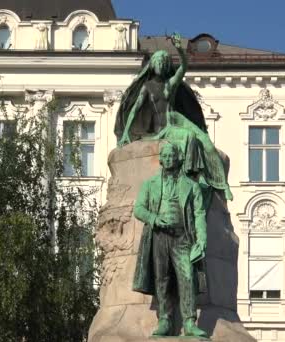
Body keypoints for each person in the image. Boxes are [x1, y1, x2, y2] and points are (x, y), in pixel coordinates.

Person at [114, 33, 233, 200]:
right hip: (163, 128)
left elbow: (183, 67)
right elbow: (134, 110)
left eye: (164, 62)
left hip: (176, 119)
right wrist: (126, 132)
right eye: (158, 62)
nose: (161, 65)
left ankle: (222, 185)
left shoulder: (170, 84)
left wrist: (179, 49)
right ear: (152, 65)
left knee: (206, 141)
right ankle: (194, 175)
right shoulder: (146, 87)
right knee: (190, 137)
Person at [132, 143, 209, 338]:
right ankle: (164, 319)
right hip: (159, 236)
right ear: (160, 159)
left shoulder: (191, 186)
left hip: (183, 237)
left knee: (188, 277)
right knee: (162, 278)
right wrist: (155, 219)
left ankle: (190, 321)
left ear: (178, 158)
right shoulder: (150, 184)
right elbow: (139, 209)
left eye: (171, 156)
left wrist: (202, 239)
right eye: (164, 156)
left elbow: (199, 214)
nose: (168, 160)